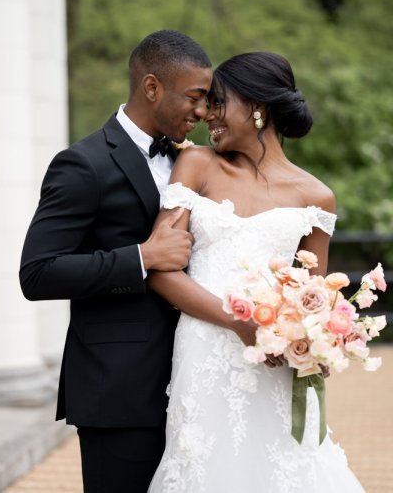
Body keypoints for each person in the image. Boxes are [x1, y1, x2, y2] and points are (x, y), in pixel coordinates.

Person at [20, 30, 250, 493]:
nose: (203, 112)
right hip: (119, 391)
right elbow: (38, 272)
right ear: (152, 88)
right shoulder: (82, 164)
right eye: (195, 97)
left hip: (197, 382)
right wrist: (140, 257)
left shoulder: (197, 161)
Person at [147, 52, 366, 492]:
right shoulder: (197, 165)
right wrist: (235, 322)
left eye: (218, 103)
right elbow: (160, 270)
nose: (208, 115)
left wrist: (315, 342)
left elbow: (313, 296)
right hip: (203, 351)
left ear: (256, 107)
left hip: (272, 364)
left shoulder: (316, 198)